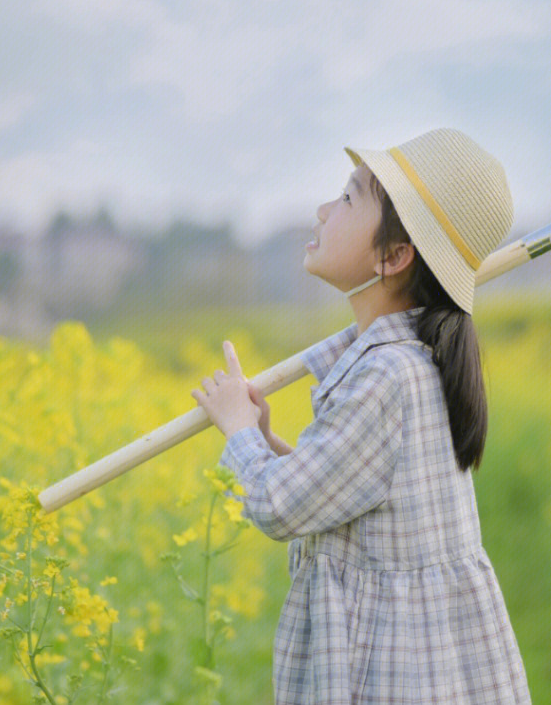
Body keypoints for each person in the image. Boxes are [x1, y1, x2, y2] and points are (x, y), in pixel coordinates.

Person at [190, 128, 532, 704]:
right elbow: (354, 497)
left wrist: (239, 431)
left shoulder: (385, 377)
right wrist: (270, 442)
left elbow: (278, 507)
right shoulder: (410, 363)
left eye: (348, 199)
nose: (323, 210)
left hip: (395, 673)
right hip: (429, 662)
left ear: (394, 256)